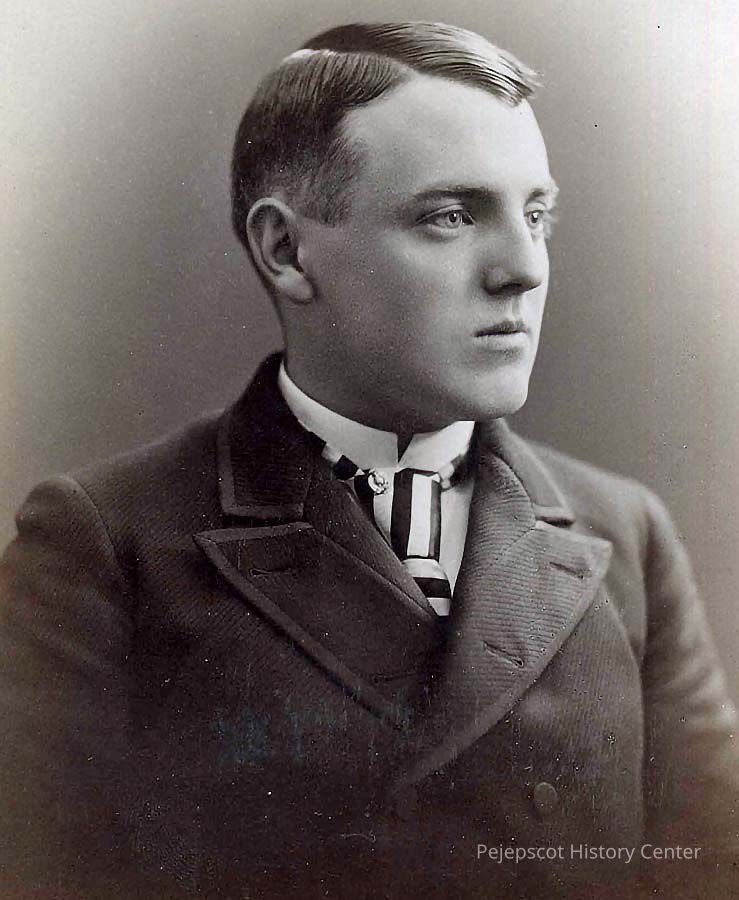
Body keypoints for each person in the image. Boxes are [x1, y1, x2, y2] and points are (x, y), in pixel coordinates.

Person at [0, 20, 736, 900]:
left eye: (536, 215)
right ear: (286, 251)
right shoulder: (107, 544)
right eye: (450, 216)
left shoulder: (624, 534)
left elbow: (708, 865)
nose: (524, 267)